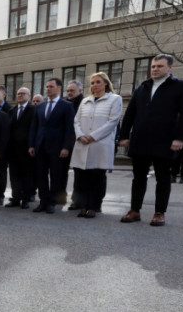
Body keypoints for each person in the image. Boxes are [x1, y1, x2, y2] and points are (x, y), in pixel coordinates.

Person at [119, 54, 183, 226]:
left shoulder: (181, 86)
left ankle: (159, 213)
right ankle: (135, 210)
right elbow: (130, 113)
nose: (155, 69)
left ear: (170, 68)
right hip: (141, 139)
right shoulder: (142, 87)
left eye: (159, 66)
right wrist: (123, 135)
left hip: (165, 140)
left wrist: (180, 138)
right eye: (153, 66)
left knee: (163, 178)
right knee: (138, 177)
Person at [70, 72, 123, 219]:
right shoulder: (85, 101)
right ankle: (84, 205)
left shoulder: (114, 99)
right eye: (92, 83)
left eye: (98, 82)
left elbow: (112, 122)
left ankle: (94, 206)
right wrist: (80, 135)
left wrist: (93, 136)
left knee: (97, 177)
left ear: (106, 83)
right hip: (83, 143)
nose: (95, 85)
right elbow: (76, 121)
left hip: (100, 144)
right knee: (82, 178)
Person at [29, 78, 75, 214]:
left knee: (56, 176)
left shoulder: (66, 106)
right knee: (41, 175)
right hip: (40, 146)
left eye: (51, 86)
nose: (48, 89)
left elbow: (70, 129)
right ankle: (43, 201)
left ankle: (52, 202)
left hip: (57, 148)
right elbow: (34, 127)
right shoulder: (40, 106)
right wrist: (31, 145)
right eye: (47, 86)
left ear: (59, 88)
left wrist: (66, 147)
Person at [5, 87, 36, 209]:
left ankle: (25, 199)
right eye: (18, 94)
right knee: (14, 176)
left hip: (27, 149)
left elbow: (34, 128)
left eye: (23, 94)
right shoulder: (12, 110)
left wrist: (32, 145)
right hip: (13, 149)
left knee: (27, 175)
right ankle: (16, 198)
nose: (20, 96)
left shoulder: (33, 110)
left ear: (29, 96)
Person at [66, 80, 85, 211]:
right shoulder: (66, 103)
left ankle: (79, 201)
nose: (69, 93)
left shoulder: (84, 103)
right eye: (68, 91)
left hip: (79, 141)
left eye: (72, 91)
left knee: (80, 175)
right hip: (66, 143)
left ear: (80, 91)